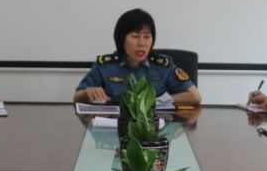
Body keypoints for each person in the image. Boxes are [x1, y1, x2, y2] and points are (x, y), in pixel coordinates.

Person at [73, 8, 201, 106]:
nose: (142, 43)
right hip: (116, 126)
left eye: (147, 36)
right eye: (135, 36)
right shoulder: (105, 66)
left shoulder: (162, 65)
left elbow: (195, 96)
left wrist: (157, 102)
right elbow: (77, 97)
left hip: (152, 126)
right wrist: (88, 93)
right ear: (121, 39)